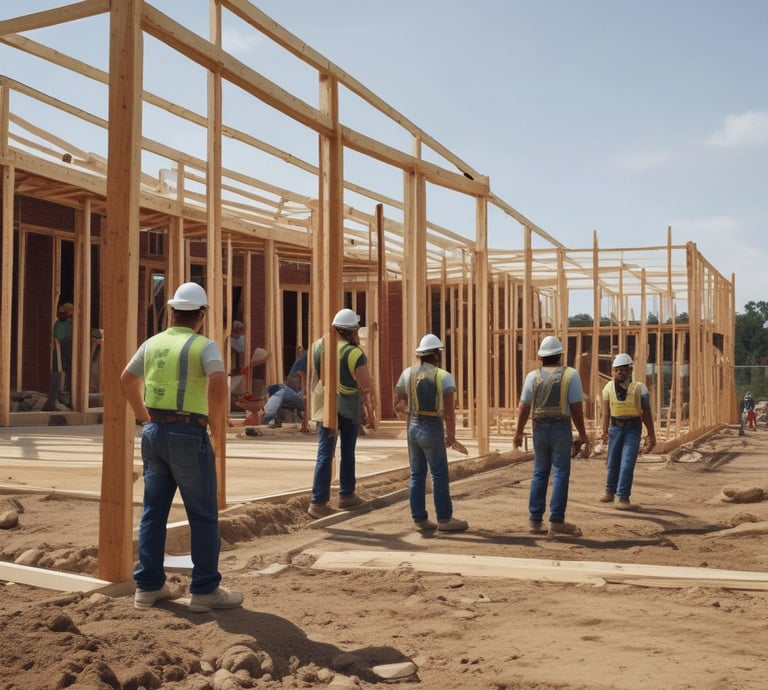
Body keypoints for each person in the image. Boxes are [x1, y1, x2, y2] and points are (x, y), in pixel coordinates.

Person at [120, 281, 243, 613]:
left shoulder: (153, 343)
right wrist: (218, 426)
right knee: (203, 515)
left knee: (153, 512)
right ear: (201, 314)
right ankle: (204, 590)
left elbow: (126, 380)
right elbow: (218, 380)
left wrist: (143, 416)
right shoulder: (204, 346)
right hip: (188, 434)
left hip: (155, 433)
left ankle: (148, 587)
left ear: (172, 311)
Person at [513, 335, 590, 537]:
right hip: (560, 427)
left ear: (540, 356)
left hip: (539, 428)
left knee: (539, 472)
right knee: (561, 473)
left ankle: (535, 520)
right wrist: (583, 434)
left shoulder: (533, 376)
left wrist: (518, 432)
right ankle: (556, 520)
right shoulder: (570, 375)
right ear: (560, 355)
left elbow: (524, 406)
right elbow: (576, 407)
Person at [394, 333, 468, 532]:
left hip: (413, 427)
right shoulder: (443, 376)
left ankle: (419, 519)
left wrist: (406, 414)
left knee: (417, 474)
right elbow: (450, 412)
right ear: (436, 354)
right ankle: (444, 519)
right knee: (439, 475)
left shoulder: (407, 373)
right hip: (432, 428)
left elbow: (398, 403)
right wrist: (451, 435)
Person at [308, 308, 374, 518]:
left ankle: (318, 502)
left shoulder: (319, 346)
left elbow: (316, 376)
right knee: (347, 452)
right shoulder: (355, 353)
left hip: (326, 406)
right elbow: (365, 385)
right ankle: (346, 496)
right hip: (347, 407)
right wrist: (371, 409)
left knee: (325, 453)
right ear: (351, 330)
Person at [600, 354, 656, 510]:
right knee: (612, 462)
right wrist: (604, 432)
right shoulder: (608, 388)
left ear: (630, 370)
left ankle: (623, 497)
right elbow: (606, 412)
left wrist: (651, 434)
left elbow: (646, 413)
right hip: (615, 427)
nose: (620, 373)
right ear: (613, 371)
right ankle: (610, 491)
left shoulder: (640, 388)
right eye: (617, 370)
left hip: (632, 427)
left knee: (627, 463)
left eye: (624, 370)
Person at [42, 302, 74, 411]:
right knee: (57, 379)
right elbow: (58, 340)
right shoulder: (63, 324)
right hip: (61, 354)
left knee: (69, 380)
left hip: (66, 354)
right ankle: (50, 404)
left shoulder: (65, 324)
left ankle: (69, 402)